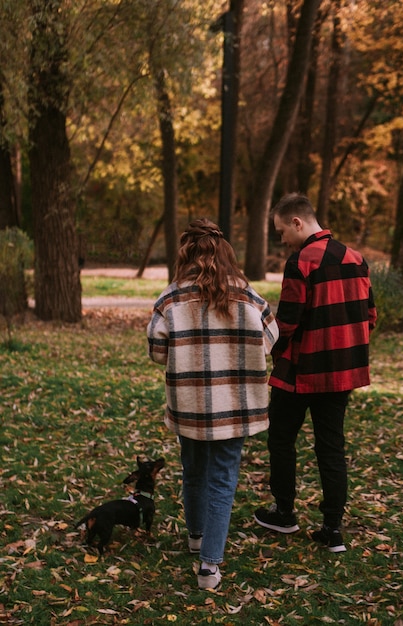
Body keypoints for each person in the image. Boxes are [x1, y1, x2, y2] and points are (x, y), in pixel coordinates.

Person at [147, 218, 279, 589]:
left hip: (189, 404)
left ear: (185, 254)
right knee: (223, 479)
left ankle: (196, 537)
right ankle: (209, 568)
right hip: (235, 405)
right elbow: (272, 337)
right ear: (225, 253)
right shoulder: (247, 295)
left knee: (194, 470)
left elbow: (157, 352)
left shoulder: (170, 297)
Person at [255, 193, 377, 553]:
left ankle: (284, 512)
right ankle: (333, 528)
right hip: (343, 373)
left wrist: (271, 349)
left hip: (302, 372)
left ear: (297, 222)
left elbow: (288, 321)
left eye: (281, 232)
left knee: (280, 439)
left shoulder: (301, 262)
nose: (282, 240)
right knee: (331, 446)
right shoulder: (357, 259)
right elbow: (369, 316)